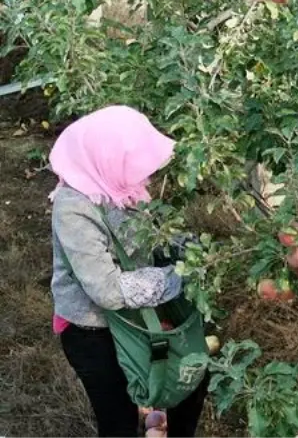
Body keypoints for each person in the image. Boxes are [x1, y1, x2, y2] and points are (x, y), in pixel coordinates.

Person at [49, 105, 208, 438]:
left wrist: (192, 249)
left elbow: (154, 234)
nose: (143, 176)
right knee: (118, 419)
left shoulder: (120, 184)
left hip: (138, 314)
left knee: (189, 380)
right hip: (92, 329)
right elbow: (106, 290)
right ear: (109, 158)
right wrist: (178, 277)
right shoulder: (72, 207)